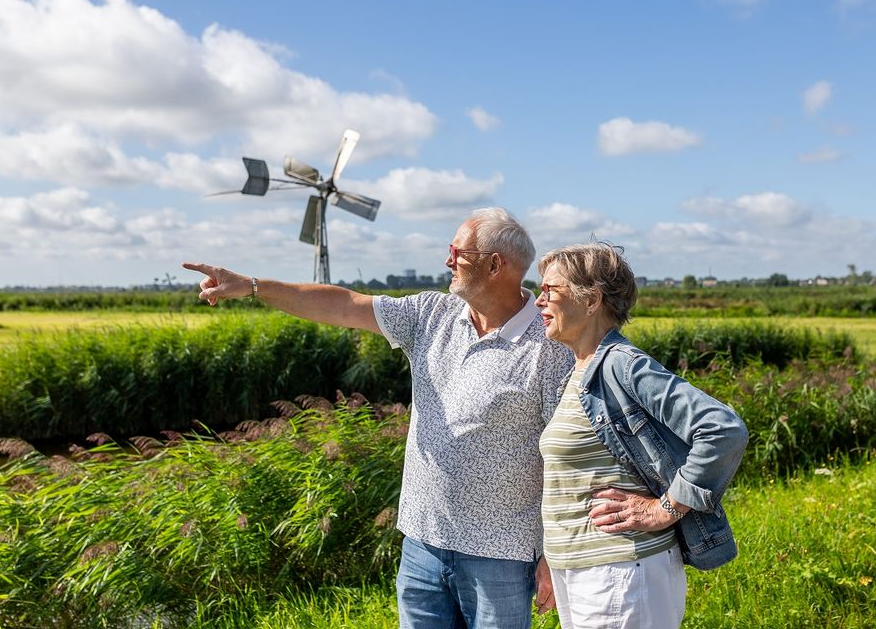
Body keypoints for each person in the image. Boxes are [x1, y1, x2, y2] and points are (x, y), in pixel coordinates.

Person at [182, 207, 574, 629]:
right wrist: (253, 287)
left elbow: (567, 458)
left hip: (500, 555)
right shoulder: (430, 315)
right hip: (422, 546)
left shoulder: (550, 343)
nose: (447, 261)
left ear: (495, 264)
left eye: (456, 251)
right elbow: (344, 304)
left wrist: (554, 554)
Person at [533, 242, 748, 629]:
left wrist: (662, 509)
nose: (538, 301)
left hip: (620, 574)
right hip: (583, 572)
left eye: (550, 291)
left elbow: (722, 429)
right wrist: (552, 558)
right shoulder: (580, 371)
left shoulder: (621, 365)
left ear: (592, 299)